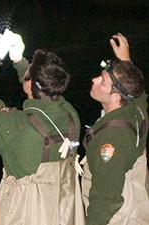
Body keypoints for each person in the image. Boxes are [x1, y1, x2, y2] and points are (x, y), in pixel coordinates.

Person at [0, 29, 85, 225]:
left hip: (28, 215)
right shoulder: (70, 117)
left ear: (31, 85)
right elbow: (45, 93)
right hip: (61, 215)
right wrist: (20, 61)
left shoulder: (18, 128)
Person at [81, 33, 149, 225]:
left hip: (118, 219)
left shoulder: (111, 139)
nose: (94, 80)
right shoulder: (135, 111)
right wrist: (126, 60)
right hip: (135, 210)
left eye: (102, 82)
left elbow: (105, 200)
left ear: (116, 98)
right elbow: (140, 96)